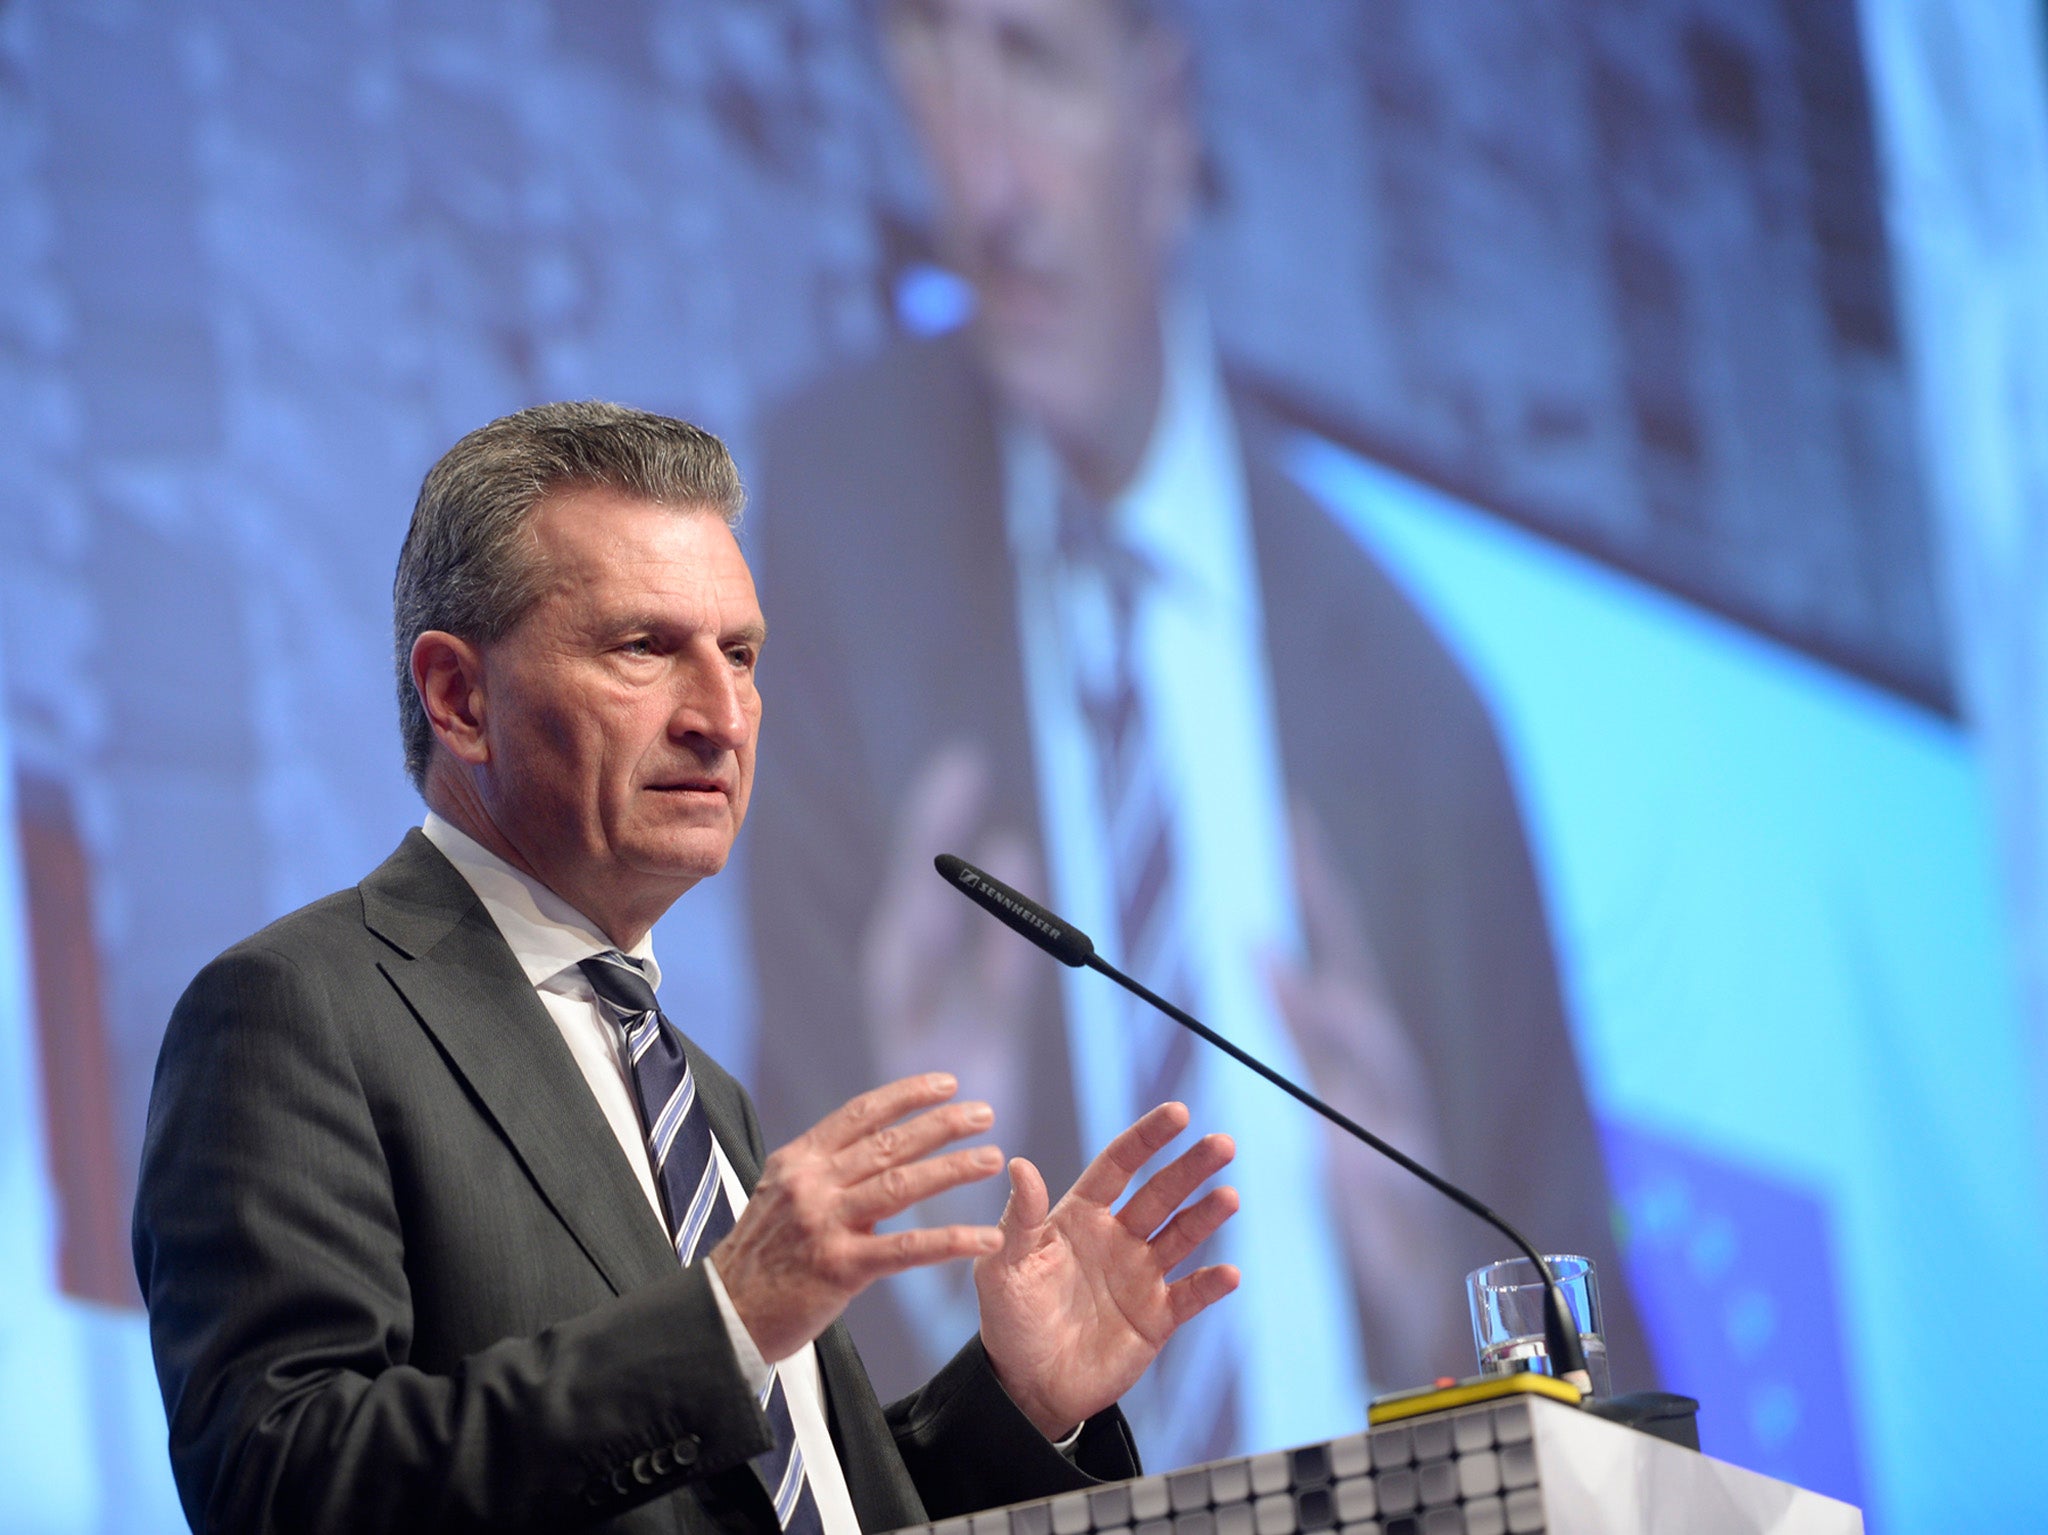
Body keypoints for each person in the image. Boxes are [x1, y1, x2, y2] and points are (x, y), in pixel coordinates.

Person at [747, 0, 1649, 1459]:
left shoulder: (1422, 705)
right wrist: (907, 1276)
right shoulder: (840, 538)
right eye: (929, 64)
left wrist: (1435, 1308)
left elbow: (1594, 1350)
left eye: (1033, 64)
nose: (985, 191)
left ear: (1166, 117)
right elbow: (755, 1336)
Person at [131, 402, 1242, 1534]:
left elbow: (776, 1500)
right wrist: (723, 1319)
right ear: (460, 698)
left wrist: (1017, 1401)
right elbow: (281, 1485)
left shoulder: (698, 1091)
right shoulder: (297, 1011)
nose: (721, 716)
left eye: (742, 655)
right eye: (643, 647)